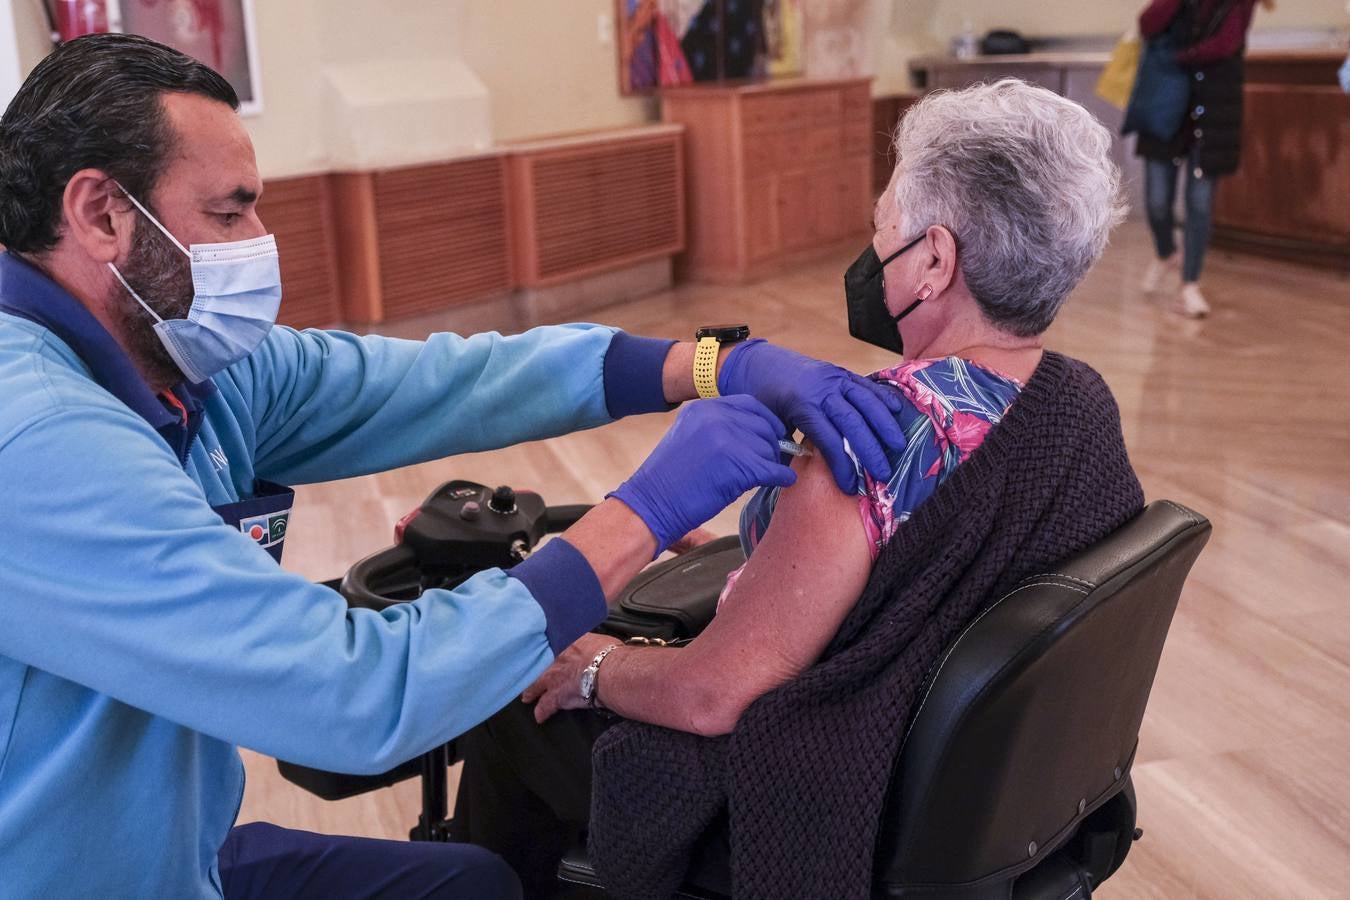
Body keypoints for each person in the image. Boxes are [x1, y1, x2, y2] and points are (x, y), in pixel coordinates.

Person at [0, 34, 908, 899]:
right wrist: (644, 511)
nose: (257, 238)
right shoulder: (36, 442)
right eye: (230, 209)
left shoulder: (185, 366)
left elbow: (449, 380)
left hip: (172, 852)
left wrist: (708, 363)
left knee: (472, 882)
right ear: (103, 214)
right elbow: (356, 694)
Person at [451, 78, 1148, 898]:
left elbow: (714, 694)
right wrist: (767, 554)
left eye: (881, 226)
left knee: (510, 692)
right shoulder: (1080, 403)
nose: (870, 251)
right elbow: (927, 583)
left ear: (933, 259)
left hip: (824, 798)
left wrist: (596, 664)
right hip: (967, 805)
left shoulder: (867, 437)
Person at [1135, 0, 1272, 317]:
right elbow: (1147, 25)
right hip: (1166, 106)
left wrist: (1178, 58)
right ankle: (1166, 253)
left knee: (1199, 202)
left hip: (1212, 110)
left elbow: (1224, 45)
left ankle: (1189, 285)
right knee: (1157, 200)